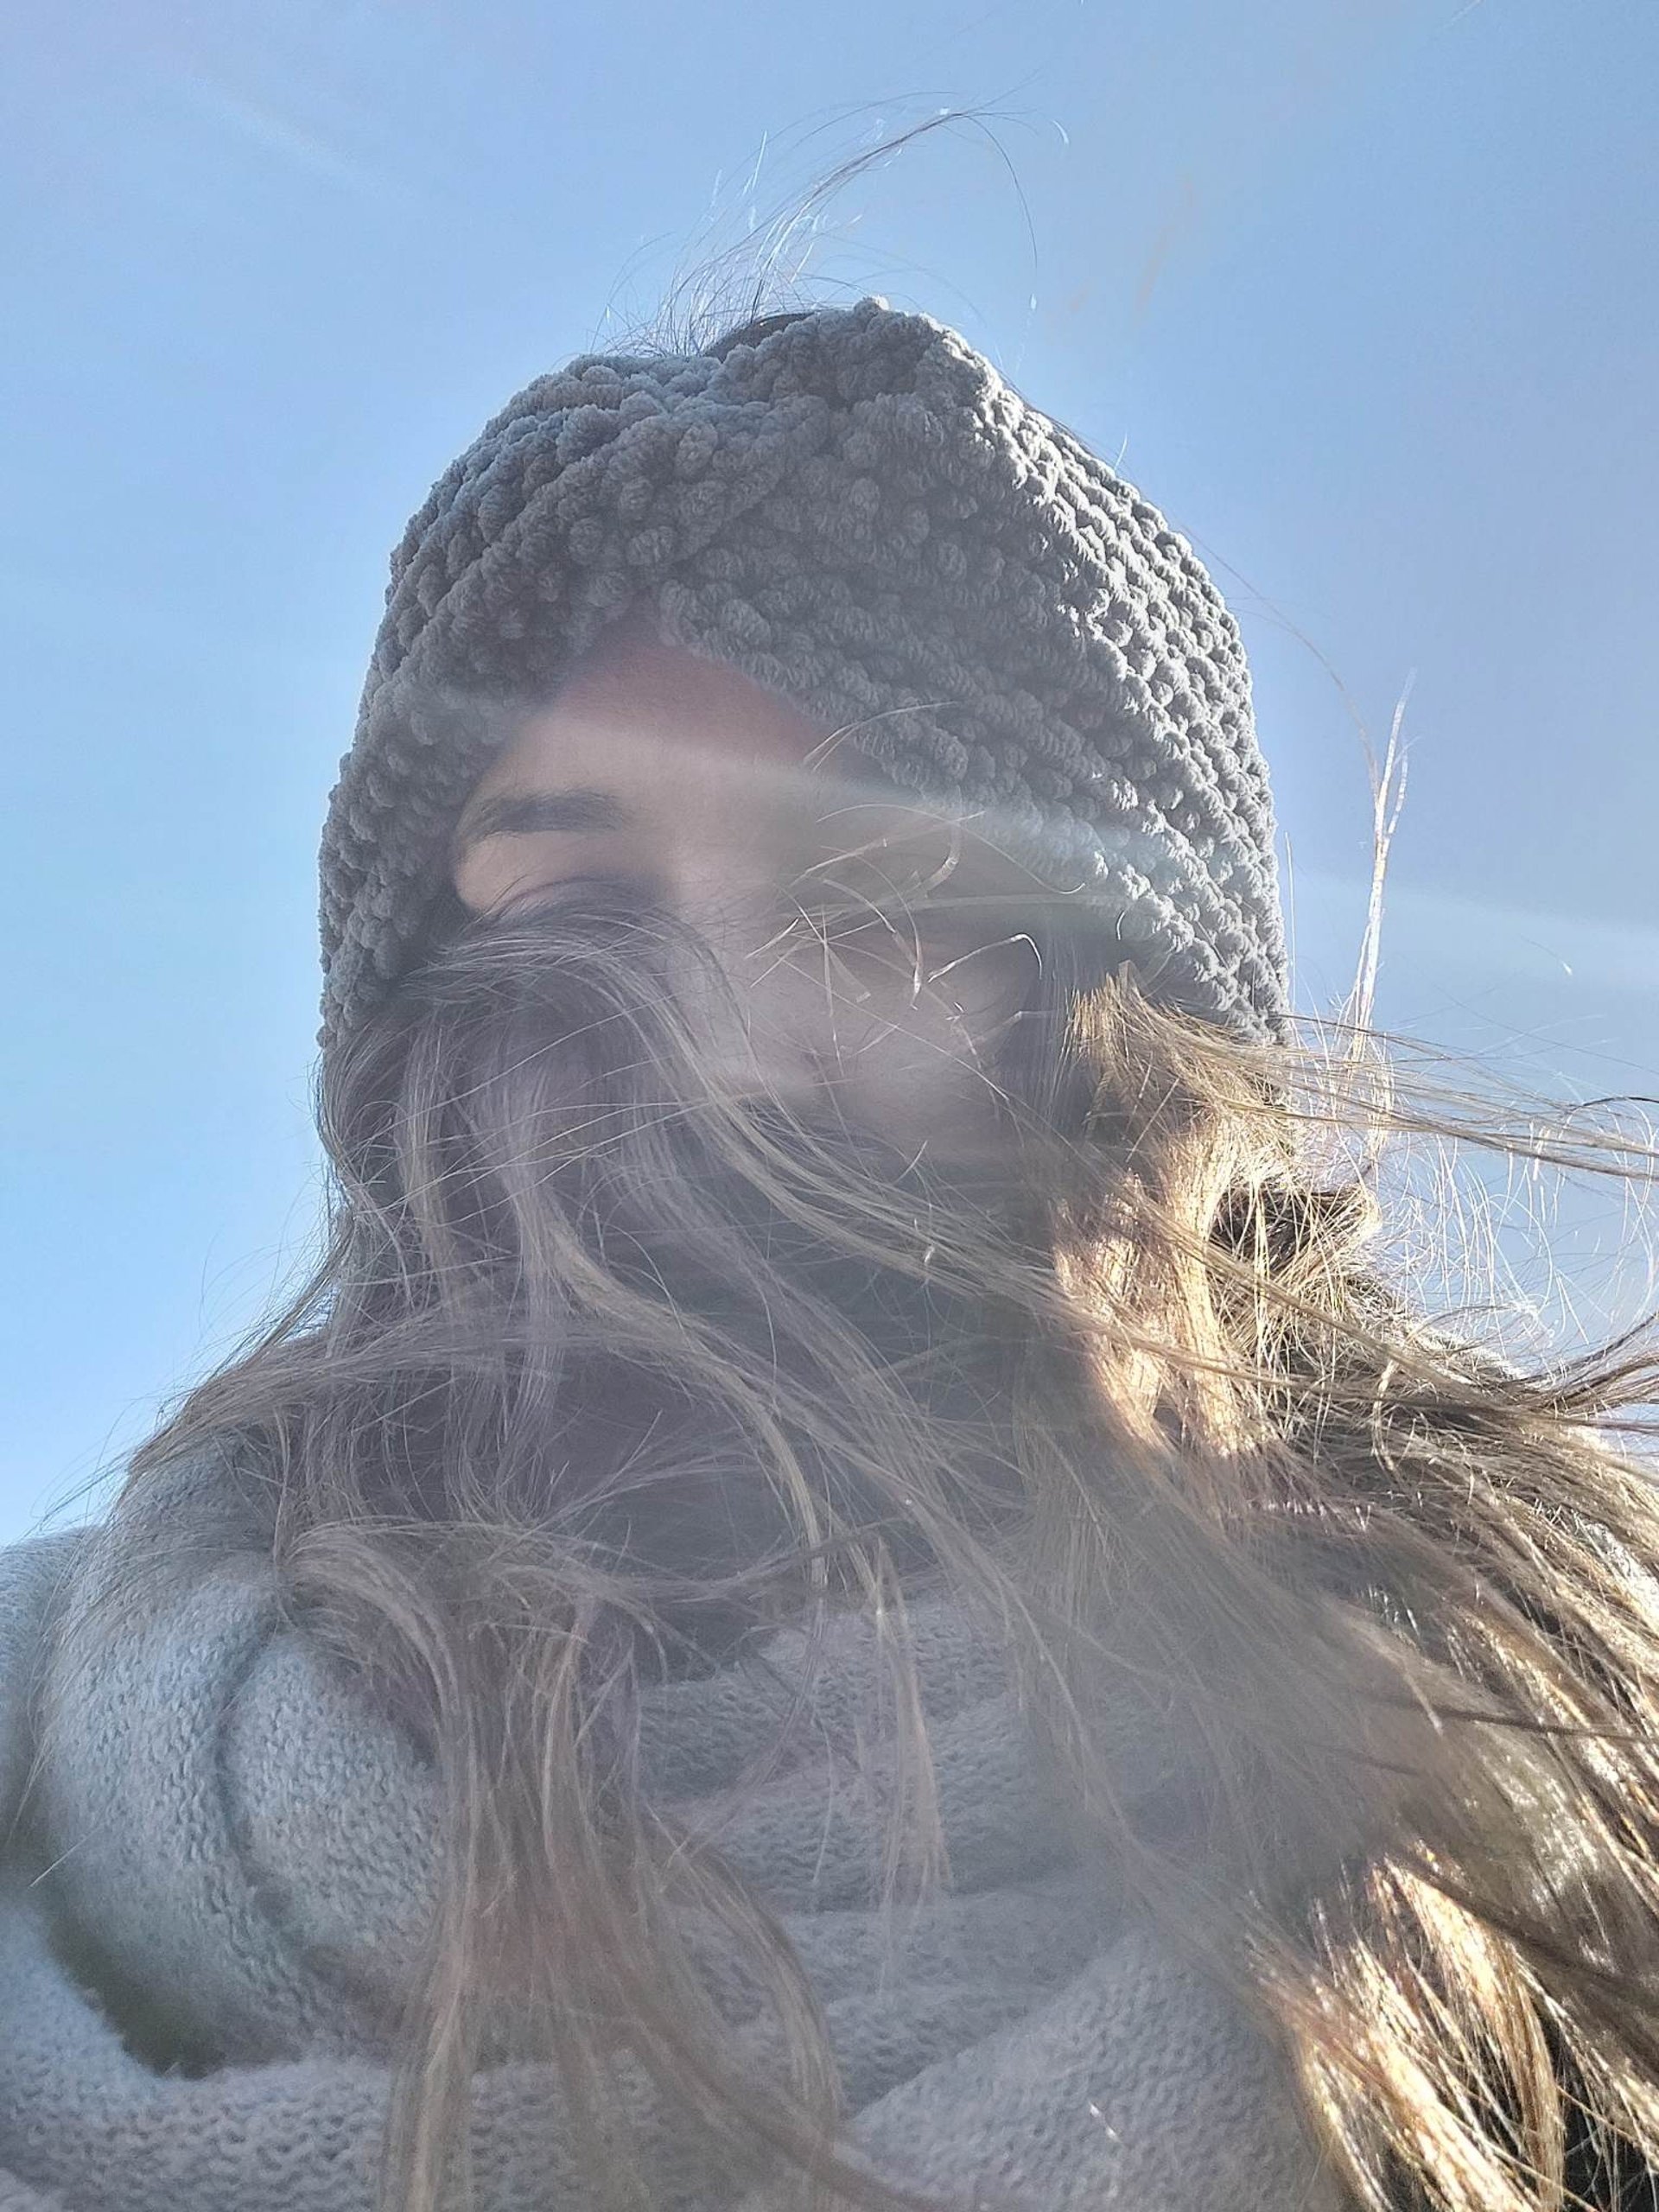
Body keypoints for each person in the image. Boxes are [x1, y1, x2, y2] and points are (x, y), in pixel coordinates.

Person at [3, 296, 1657, 2212]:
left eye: (887, 901)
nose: (715, 1034)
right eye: (577, 898)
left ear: (1136, 1055)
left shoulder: (1527, 1845)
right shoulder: (64, 1729)